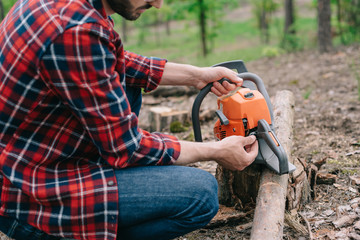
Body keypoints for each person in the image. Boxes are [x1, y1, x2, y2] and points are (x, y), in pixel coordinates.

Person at [0, 0, 258, 239]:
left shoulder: (72, 9)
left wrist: (197, 75)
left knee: (129, 85)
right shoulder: (76, 32)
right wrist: (216, 151)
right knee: (201, 194)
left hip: (32, 153)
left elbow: (114, 63)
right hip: (30, 193)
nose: (157, 4)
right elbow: (127, 148)